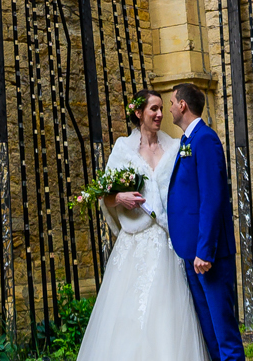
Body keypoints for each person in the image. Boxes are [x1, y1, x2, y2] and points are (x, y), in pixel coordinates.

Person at [76, 87, 208, 361]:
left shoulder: (175, 146)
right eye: (154, 109)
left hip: (168, 243)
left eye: (162, 108)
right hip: (135, 243)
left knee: (168, 313)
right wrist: (120, 196)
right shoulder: (123, 149)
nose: (160, 114)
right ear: (139, 113)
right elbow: (105, 197)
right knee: (128, 314)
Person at [166, 83, 244, 361]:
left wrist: (204, 251)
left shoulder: (205, 140)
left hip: (207, 255)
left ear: (183, 105)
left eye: (173, 102)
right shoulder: (188, 141)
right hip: (192, 253)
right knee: (209, 331)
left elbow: (212, 198)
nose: (170, 107)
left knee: (224, 331)